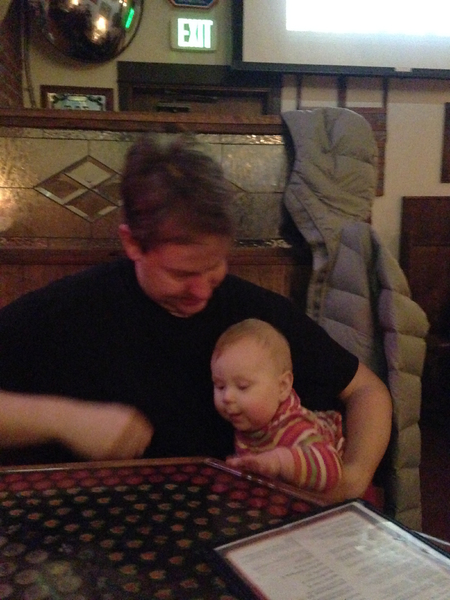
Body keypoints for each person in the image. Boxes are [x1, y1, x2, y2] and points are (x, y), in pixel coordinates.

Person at [0, 134, 392, 504]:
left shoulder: (256, 314)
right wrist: (64, 419)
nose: (202, 291)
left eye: (215, 266)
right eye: (182, 274)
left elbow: (367, 392)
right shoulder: (67, 310)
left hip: (234, 518)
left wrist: (354, 477)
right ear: (132, 243)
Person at [211, 319, 345, 492]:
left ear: (282, 387)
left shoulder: (294, 426)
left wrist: (279, 462)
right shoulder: (252, 423)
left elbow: (333, 470)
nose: (227, 397)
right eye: (220, 386)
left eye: (243, 386)